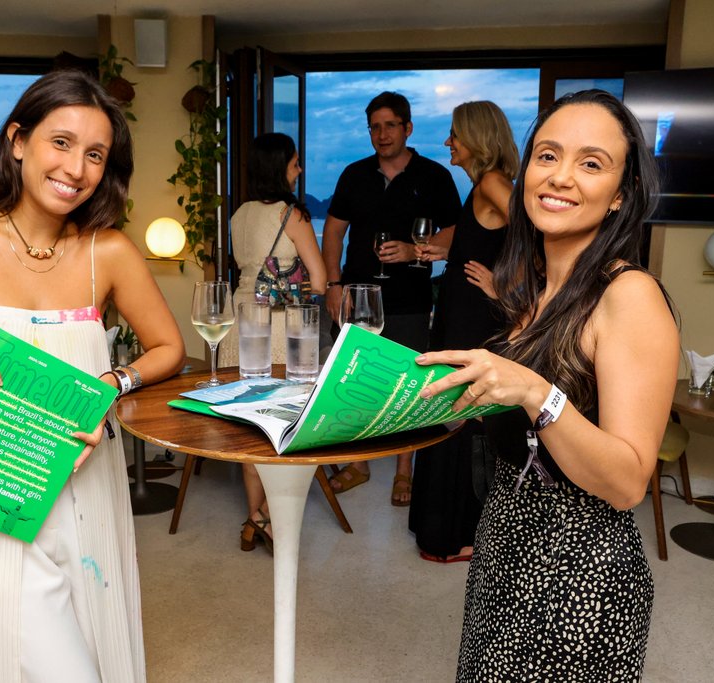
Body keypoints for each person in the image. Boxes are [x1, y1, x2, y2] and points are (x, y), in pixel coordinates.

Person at [0, 69, 185, 682]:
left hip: (85, 476)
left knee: (94, 633)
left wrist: (112, 384)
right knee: (25, 651)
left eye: (95, 154)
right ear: (18, 141)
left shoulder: (107, 252)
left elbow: (168, 347)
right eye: (61, 142)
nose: (76, 168)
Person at [416, 90, 677, 680]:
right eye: (548, 155)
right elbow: (517, 429)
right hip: (504, 545)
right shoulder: (534, 290)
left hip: (578, 577)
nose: (560, 177)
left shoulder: (629, 296)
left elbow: (628, 483)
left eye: (591, 163)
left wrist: (536, 393)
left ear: (622, 194)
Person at [322, 91, 461, 506]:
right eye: (374, 127)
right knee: (355, 382)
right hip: (357, 297)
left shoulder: (434, 176)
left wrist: (414, 250)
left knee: (409, 386)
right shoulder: (354, 174)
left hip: (410, 299)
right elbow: (333, 232)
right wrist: (333, 285)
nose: (382, 134)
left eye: (390, 126)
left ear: (408, 128)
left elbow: (455, 234)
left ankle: (404, 471)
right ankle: (359, 463)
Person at [408, 101, 518, 563]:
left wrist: (504, 286)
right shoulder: (479, 185)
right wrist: (446, 252)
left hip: (477, 317)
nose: (447, 142)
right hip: (459, 314)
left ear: (476, 137)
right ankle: (448, 528)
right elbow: (484, 239)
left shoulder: (493, 181)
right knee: (451, 407)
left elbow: (541, 238)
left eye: (454, 134)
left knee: (464, 409)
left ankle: (461, 534)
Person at [220, 132, 326, 553]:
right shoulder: (292, 215)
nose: (300, 170)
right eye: (295, 163)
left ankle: (255, 517)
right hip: (279, 325)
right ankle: (268, 516)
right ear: (280, 168)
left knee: (251, 420)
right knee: (283, 420)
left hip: (240, 321)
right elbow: (319, 281)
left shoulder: (239, 215)